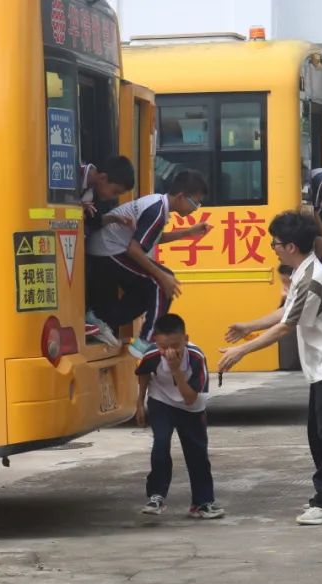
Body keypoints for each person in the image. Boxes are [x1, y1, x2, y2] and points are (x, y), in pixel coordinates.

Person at [220, 212, 322, 526]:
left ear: (292, 246)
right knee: (317, 433)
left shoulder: (311, 278)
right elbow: (284, 313)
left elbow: (285, 327)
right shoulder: (303, 270)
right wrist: (247, 326)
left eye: (277, 243)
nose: (273, 247)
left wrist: (242, 350)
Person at [86, 170, 211, 358]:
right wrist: (162, 277)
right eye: (195, 203)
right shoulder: (157, 211)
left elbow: (151, 239)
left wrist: (188, 232)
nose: (195, 208)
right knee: (161, 283)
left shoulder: (159, 204)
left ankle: (100, 319)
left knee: (147, 294)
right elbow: (134, 250)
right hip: (106, 251)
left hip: (108, 249)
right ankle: (147, 341)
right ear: (180, 197)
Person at [135, 314, 224, 519]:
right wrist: (139, 401)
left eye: (175, 346)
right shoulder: (152, 354)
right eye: (163, 347)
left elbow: (190, 398)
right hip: (161, 400)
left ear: (186, 338)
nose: (168, 352)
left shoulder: (196, 357)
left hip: (191, 407)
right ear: (155, 341)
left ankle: (202, 503)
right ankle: (156, 495)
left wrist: (176, 370)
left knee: (197, 453)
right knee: (160, 443)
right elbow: (143, 373)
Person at [81, 157, 137, 348]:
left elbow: (94, 221)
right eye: (114, 192)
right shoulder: (73, 174)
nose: (113, 197)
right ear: (103, 178)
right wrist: (76, 205)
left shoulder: (95, 193)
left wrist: (113, 218)